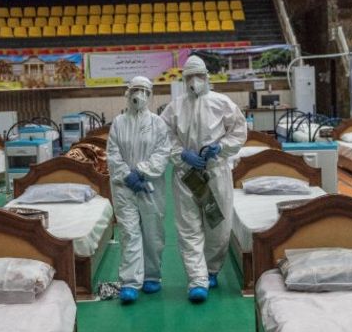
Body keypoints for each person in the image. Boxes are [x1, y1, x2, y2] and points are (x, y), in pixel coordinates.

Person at [161, 56, 247, 302]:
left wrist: (221, 147)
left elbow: (239, 131)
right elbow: (164, 135)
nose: (194, 81)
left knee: (218, 226)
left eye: (199, 76)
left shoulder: (222, 103)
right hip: (186, 175)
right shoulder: (175, 107)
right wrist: (181, 154)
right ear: (184, 79)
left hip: (215, 172)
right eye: (189, 77)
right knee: (188, 227)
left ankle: (211, 270)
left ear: (207, 77)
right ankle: (197, 280)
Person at [106, 76, 171, 304]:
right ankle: (130, 282)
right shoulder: (118, 123)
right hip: (124, 187)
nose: (139, 95)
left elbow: (162, 152)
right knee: (129, 232)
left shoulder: (158, 123)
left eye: (144, 90)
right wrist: (127, 175)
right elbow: (112, 153)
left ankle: (152, 275)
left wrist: (142, 172)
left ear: (150, 95)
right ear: (128, 93)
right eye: (135, 90)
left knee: (153, 232)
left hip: (150, 185)